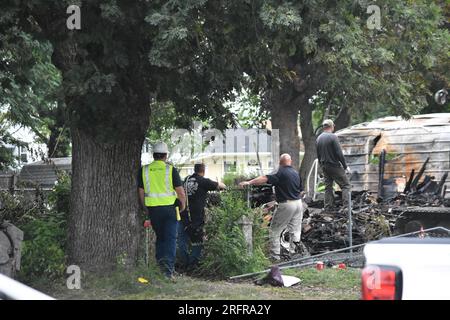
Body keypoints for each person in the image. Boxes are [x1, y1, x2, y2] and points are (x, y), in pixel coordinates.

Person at [239, 154, 305, 262]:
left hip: (287, 204)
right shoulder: (296, 173)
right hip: (298, 203)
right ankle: (295, 255)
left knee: (275, 230)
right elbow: (301, 191)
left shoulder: (280, 172)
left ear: (280, 162)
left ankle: (275, 257)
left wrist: (249, 182)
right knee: (295, 231)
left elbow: (264, 178)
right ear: (290, 161)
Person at [138, 142, 186, 279]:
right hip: (170, 210)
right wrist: (183, 206)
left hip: (153, 210)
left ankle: (160, 268)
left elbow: (141, 192)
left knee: (160, 239)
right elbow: (180, 192)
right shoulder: (170, 170)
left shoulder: (144, 170)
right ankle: (168, 272)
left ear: (154, 155)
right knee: (170, 240)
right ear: (166, 155)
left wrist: (145, 208)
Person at [178, 163, 226, 271]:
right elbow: (220, 186)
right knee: (198, 241)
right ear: (203, 171)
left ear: (194, 170)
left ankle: (184, 263)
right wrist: (224, 186)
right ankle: (192, 264)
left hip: (183, 215)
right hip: (196, 217)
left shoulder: (186, 180)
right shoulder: (203, 181)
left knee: (182, 240)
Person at [316, 119, 351, 210]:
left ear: (324, 127)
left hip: (325, 166)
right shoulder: (333, 137)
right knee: (346, 185)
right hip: (334, 166)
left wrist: (321, 167)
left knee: (328, 187)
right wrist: (345, 166)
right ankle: (347, 208)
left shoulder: (319, 138)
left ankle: (328, 207)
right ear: (332, 126)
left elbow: (318, 155)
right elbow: (339, 153)